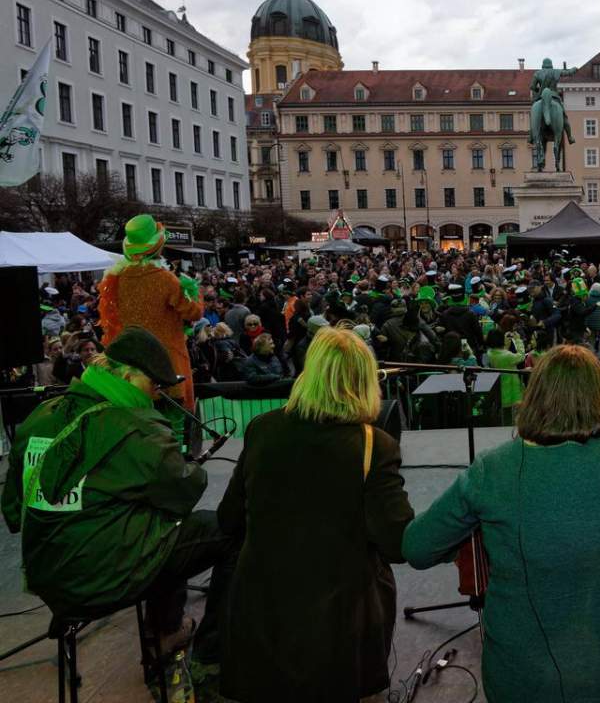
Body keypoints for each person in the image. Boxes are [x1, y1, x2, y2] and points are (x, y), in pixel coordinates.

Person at [403, 345, 600, 703]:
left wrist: (471, 539)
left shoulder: (492, 469)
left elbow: (417, 548)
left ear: (534, 398)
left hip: (524, 679)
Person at [1, 327, 236, 677]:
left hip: (46, 572)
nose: (157, 393)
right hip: (99, 579)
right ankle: (199, 649)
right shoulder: (134, 427)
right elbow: (184, 490)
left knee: (157, 520)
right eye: (153, 384)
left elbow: (12, 508)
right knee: (225, 530)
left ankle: (165, 626)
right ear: (127, 376)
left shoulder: (43, 414)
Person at [217, 326, 413, 703]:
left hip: (263, 609)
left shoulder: (262, 428)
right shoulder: (373, 445)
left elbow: (229, 519)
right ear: (363, 381)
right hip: (338, 618)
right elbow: (396, 543)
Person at [97, 215, 204, 420]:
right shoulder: (165, 279)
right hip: (167, 367)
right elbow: (194, 312)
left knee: (141, 424)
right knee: (173, 424)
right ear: (158, 247)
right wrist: (194, 290)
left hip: (132, 367)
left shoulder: (117, 278)